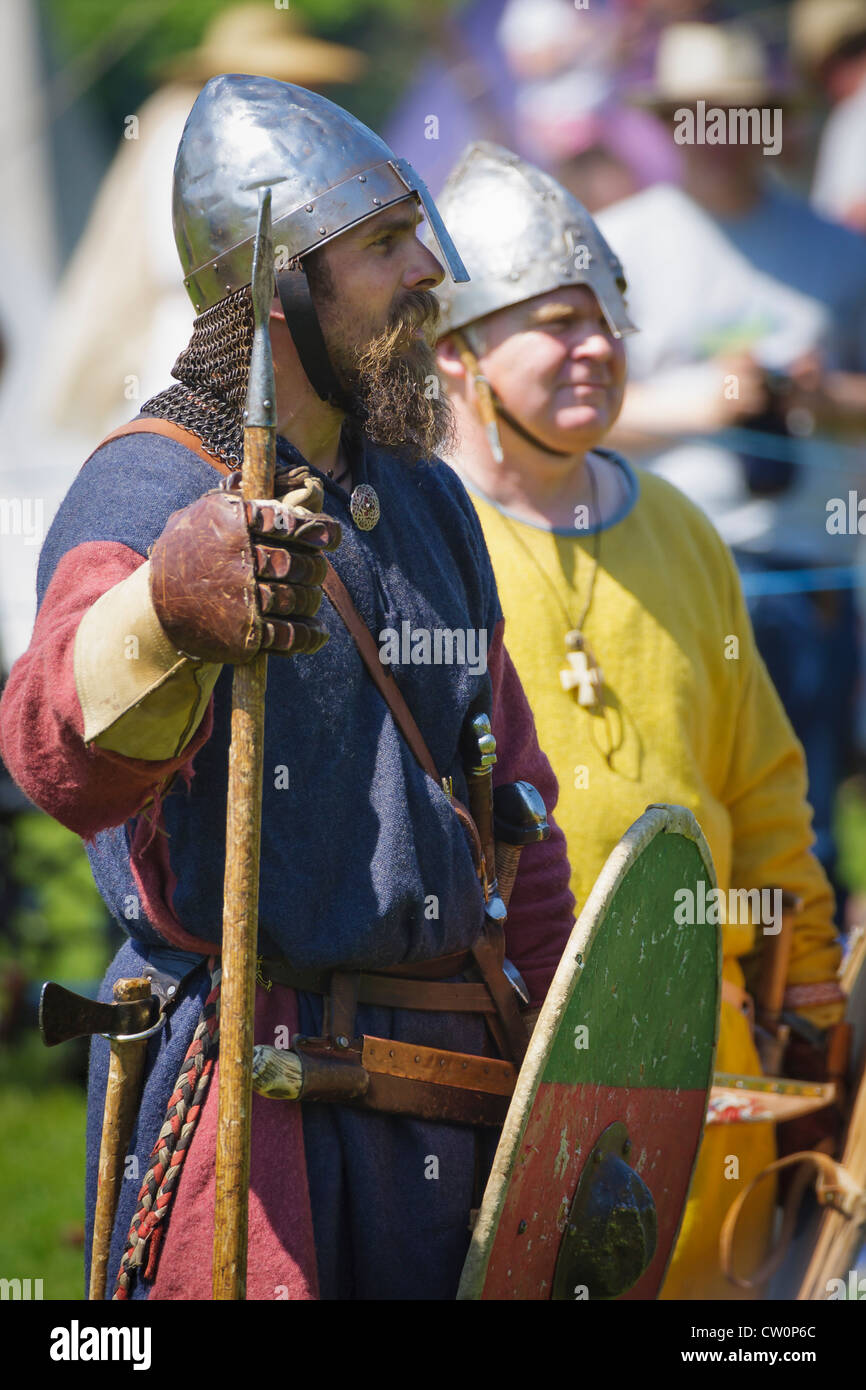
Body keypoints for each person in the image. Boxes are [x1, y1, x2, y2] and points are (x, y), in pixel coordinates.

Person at [0, 78, 574, 1301]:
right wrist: (162, 610)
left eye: (415, 231)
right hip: (264, 1117)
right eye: (381, 245)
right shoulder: (147, 490)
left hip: (456, 1095)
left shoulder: (421, 492)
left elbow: (509, 791)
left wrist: (568, 1066)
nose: (428, 268)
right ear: (276, 290)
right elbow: (55, 749)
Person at [427, 140, 846, 1299]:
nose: (596, 347)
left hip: (700, 1035)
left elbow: (760, 782)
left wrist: (802, 969)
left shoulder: (679, 528)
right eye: (555, 323)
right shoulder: (424, 543)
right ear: (459, 351)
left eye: (606, 317)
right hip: (506, 1046)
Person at [596, 21, 866, 902]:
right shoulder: (615, 243)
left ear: (772, 124)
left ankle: (801, 1019)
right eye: (699, 115)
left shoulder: (838, 252)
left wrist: (823, 402)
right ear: (671, 123)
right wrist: (708, 397)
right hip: (660, 567)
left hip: (805, 573)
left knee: (800, 825)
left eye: (737, 115)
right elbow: (556, 417)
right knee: (671, 817)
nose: (718, 133)